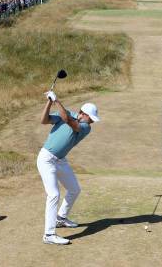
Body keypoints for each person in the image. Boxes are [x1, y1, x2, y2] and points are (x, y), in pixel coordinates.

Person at [37, 90, 100, 245]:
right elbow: (44, 120)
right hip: (46, 159)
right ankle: (49, 234)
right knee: (53, 194)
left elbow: (68, 120)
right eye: (90, 118)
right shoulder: (66, 113)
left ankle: (61, 218)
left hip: (60, 161)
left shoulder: (85, 127)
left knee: (74, 189)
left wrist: (57, 100)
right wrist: (49, 102)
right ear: (82, 113)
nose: (91, 121)